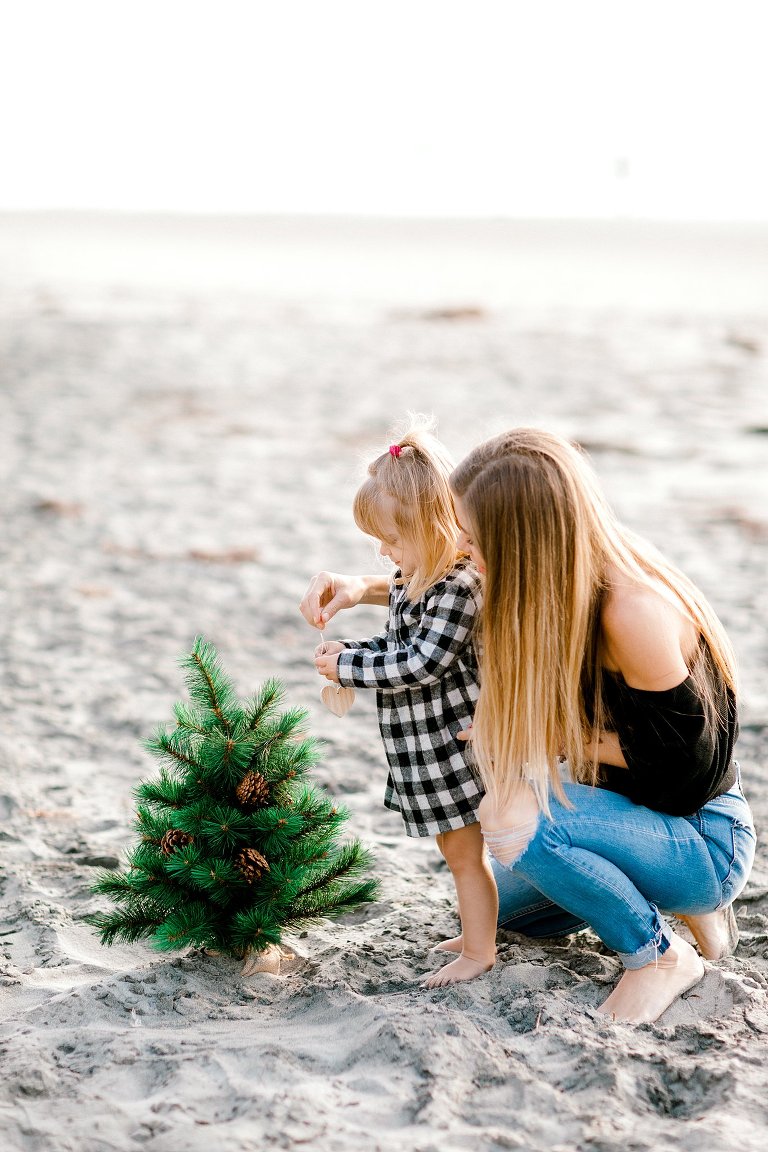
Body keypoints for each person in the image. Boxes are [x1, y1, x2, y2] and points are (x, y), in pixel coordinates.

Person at [301, 427, 756, 1024]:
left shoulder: (633, 612)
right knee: (509, 916)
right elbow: (447, 587)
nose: (462, 547)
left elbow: (689, 768)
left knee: (509, 819)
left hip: (700, 833)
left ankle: (659, 954)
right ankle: (673, 905)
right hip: (629, 813)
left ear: (525, 541)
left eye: (472, 535)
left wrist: (547, 737)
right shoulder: (559, 573)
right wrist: (362, 588)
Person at [308, 423, 497, 987]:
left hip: (451, 746)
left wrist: (349, 668)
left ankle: (480, 951)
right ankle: (476, 931)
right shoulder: (416, 577)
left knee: (466, 853)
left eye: (391, 540)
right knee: (456, 849)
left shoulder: (458, 587)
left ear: (436, 526)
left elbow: (422, 664)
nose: (382, 553)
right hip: (422, 745)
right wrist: (353, 650)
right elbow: (396, 647)